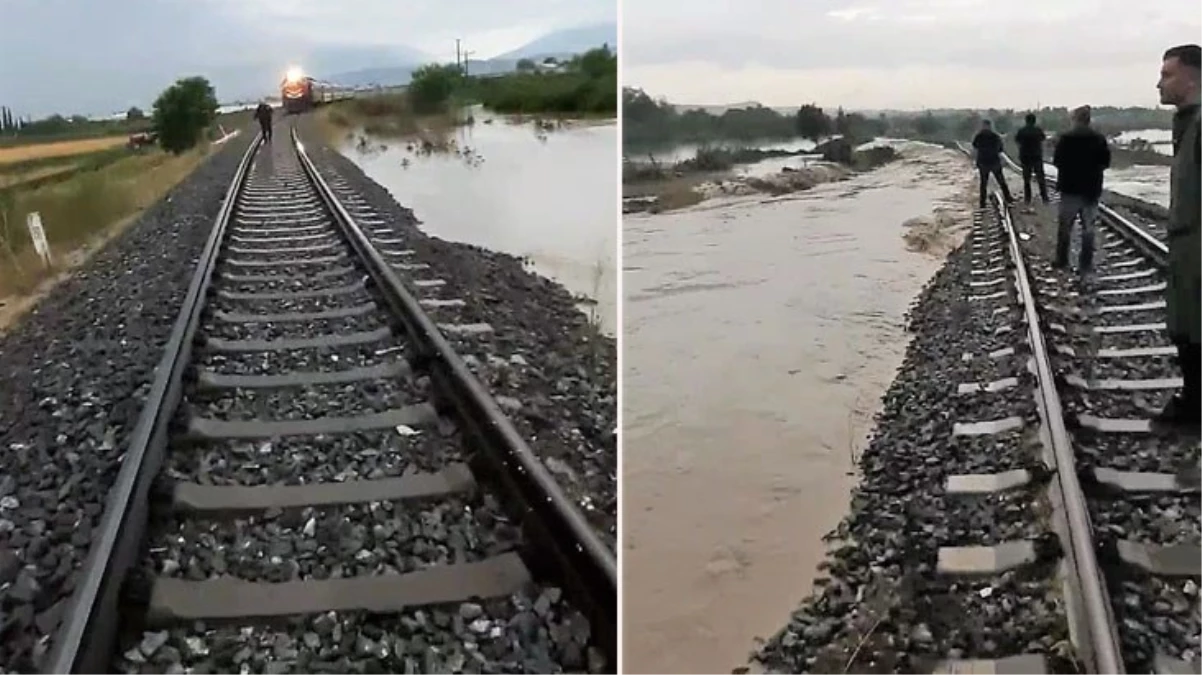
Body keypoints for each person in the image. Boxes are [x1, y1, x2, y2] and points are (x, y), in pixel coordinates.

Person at [1153, 43, 1202, 429]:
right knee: (1186, 327)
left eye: (1167, 74)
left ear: (1191, 77)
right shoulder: (1189, 122)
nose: (1159, 83)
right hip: (1188, 249)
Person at [1051, 105, 1110, 276]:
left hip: (1069, 188)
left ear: (1075, 119)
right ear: (1089, 119)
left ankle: (1062, 261)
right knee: (1088, 228)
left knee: (1065, 226)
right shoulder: (1099, 139)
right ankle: (1085, 264)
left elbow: (1057, 161)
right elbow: (1105, 162)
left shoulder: (1066, 138)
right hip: (1091, 189)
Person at [971, 119, 1014, 209]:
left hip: (983, 162)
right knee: (1001, 181)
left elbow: (975, 147)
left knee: (983, 183)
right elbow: (1000, 149)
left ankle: (982, 203)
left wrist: (975, 160)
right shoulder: (995, 136)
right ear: (990, 126)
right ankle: (1008, 198)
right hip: (994, 162)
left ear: (982, 126)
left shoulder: (979, 136)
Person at [1014, 113, 1050, 210]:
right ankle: (1045, 198)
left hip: (1025, 157)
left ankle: (1027, 198)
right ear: (1034, 121)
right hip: (1036, 156)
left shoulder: (1022, 131)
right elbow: (1043, 138)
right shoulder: (1038, 130)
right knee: (1040, 178)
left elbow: (1017, 140)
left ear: (1026, 120)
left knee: (1027, 179)